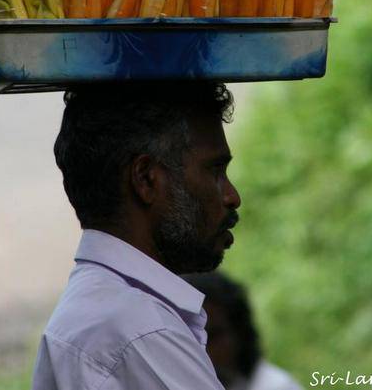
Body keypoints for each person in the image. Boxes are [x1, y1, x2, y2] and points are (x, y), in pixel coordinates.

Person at [32, 83, 241, 390]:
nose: (232, 196)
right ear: (146, 179)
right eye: (214, 171)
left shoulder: (100, 311)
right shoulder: (139, 334)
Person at [184, 271, 303, 390]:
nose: (203, 350)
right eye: (190, 337)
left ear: (239, 333)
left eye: (213, 336)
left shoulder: (275, 386)